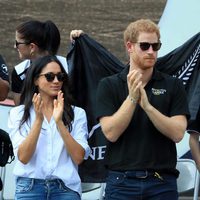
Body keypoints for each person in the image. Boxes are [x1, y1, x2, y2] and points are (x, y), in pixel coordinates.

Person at [96, 19, 190, 200]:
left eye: (156, 46)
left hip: (161, 182)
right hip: (121, 181)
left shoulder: (173, 85)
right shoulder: (109, 85)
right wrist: (132, 99)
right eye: (145, 46)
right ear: (130, 47)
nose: (151, 52)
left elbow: (178, 133)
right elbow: (111, 133)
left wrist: (148, 107)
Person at [8, 55, 90, 200]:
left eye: (60, 76)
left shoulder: (77, 113)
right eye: (50, 76)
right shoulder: (18, 114)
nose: (56, 81)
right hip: (30, 187)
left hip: (65, 188)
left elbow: (78, 157)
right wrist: (38, 120)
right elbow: (23, 157)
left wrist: (59, 123)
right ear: (36, 80)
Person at [11, 20, 68, 105]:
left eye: (17, 43)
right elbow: (20, 110)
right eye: (50, 77)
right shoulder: (19, 72)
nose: (15, 46)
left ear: (32, 47)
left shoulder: (68, 67)